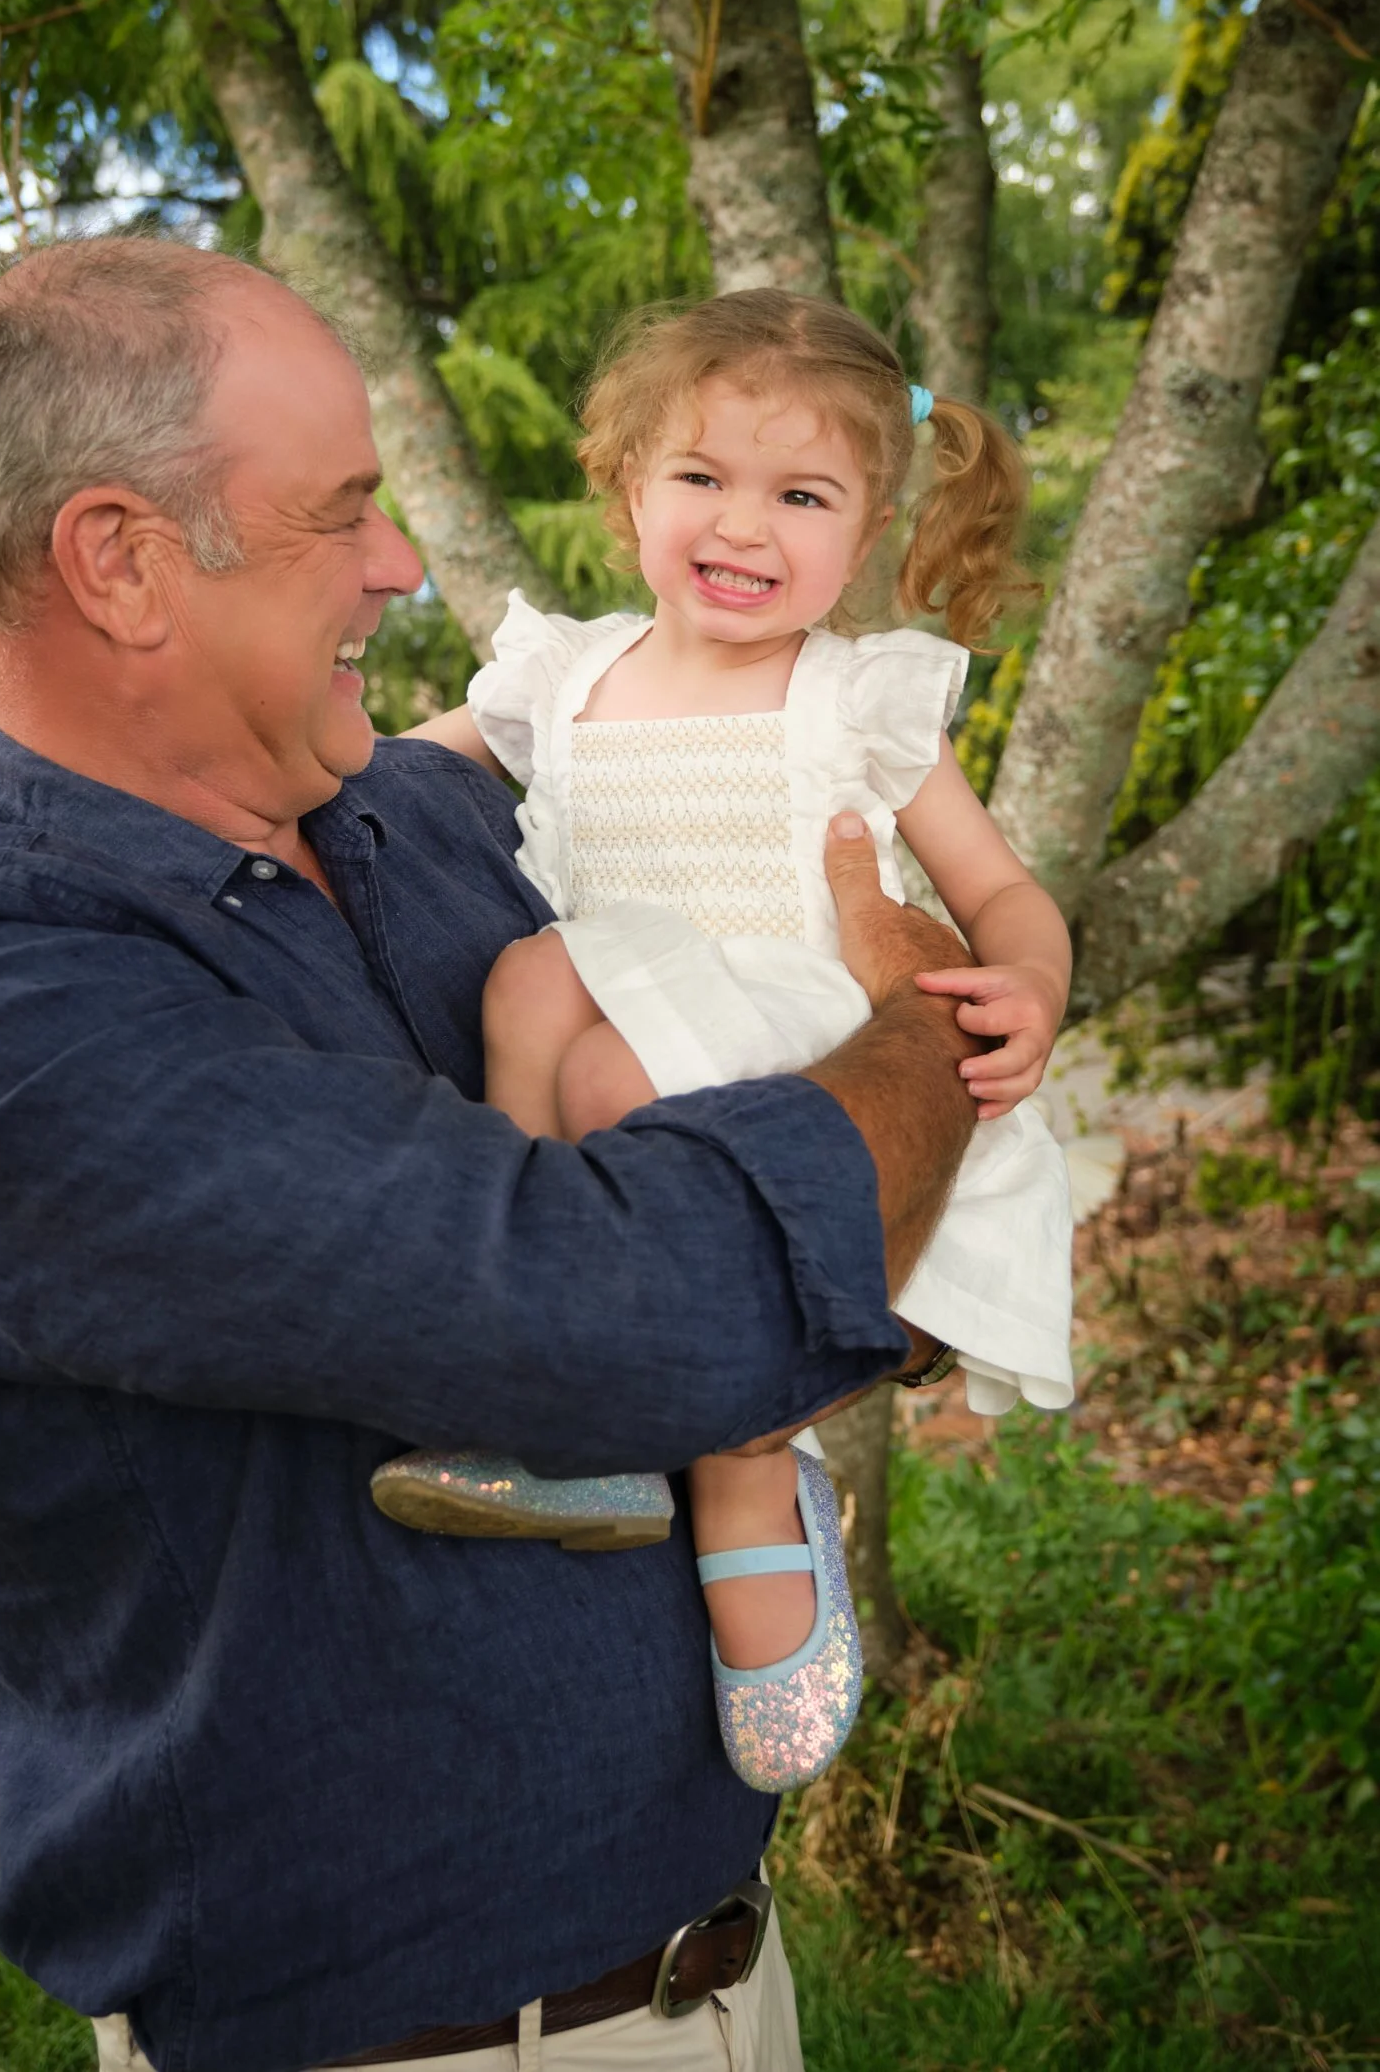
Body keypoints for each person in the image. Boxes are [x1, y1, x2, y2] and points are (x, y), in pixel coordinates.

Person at [0, 237, 988, 2072]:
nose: (401, 562)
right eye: (338, 512)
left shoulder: (418, 828)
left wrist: (851, 1224)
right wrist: (922, 1047)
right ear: (120, 561)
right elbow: (653, 1311)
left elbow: (765, 1159)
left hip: (717, 1987)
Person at [372, 292, 1075, 1792]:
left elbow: (998, 885)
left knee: (606, 1052)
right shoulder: (559, 679)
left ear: (869, 525)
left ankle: (752, 1468)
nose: (741, 525)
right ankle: (530, 1354)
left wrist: (1028, 980)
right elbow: (378, 776)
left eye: (799, 494)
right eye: (700, 478)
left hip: (791, 1053)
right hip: (592, 1029)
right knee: (530, 979)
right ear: (626, 488)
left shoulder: (853, 699)